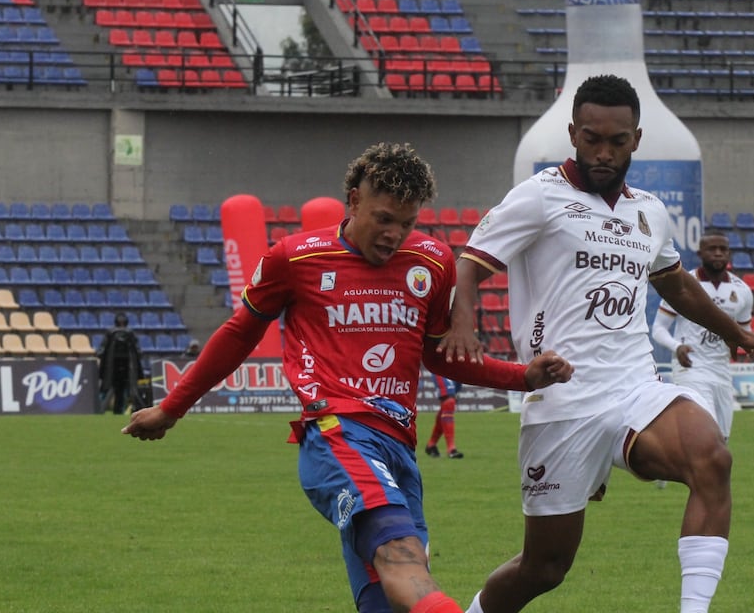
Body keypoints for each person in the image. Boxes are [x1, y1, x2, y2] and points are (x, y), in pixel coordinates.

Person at [122, 143, 572, 613]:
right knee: (402, 556)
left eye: (407, 223)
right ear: (354, 201)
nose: (394, 234)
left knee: (393, 595)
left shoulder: (434, 262)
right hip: (337, 433)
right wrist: (171, 407)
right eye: (383, 218)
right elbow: (238, 335)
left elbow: (440, 358)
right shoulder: (295, 260)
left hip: (398, 446)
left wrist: (525, 376)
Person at [440, 74, 754, 613]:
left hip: (635, 387)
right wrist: (463, 324)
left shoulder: (649, 212)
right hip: (562, 401)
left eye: (617, 141)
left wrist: (734, 332)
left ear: (636, 139)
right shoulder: (540, 197)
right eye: (592, 137)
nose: (603, 151)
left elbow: (674, 282)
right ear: (573, 132)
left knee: (712, 458)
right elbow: (472, 263)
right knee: (544, 568)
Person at [650, 229, 754, 441]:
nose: (718, 253)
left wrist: (749, 346)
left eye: (723, 249)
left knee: (722, 439)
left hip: (721, 371)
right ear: (700, 253)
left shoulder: (742, 290)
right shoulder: (682, 284)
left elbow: (745, 331)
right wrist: (676, 346)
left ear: (729, 254)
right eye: (712, 249)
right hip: (691, 368)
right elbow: (658, 329)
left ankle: (670, 468)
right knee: (706, 433)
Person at [96, 312, 144, 415]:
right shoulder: (128, 332)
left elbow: (102, 348)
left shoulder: (111, 332)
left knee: (111, 389)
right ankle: (118, 409)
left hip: (113, 368)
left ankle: (105, 409)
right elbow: (138, 350)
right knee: (121, 390)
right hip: (124, 367)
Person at [424, 371, 464, 459]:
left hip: (458, 366)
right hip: (441, 364)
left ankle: (431, 445)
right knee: (449, 401)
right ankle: (451, 449)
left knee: (447, 407)